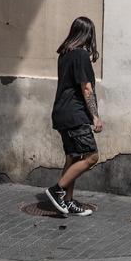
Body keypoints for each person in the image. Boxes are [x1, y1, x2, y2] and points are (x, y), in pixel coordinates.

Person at [44, 16, 102, 217]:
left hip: (61, 113)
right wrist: (95, 116)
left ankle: (67, 201)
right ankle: (57, 189)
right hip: (75, 114)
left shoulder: (65, 54)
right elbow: (86, 88)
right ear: (88, 35)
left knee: (73, 157)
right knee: (92, 156)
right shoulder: (80, 55)